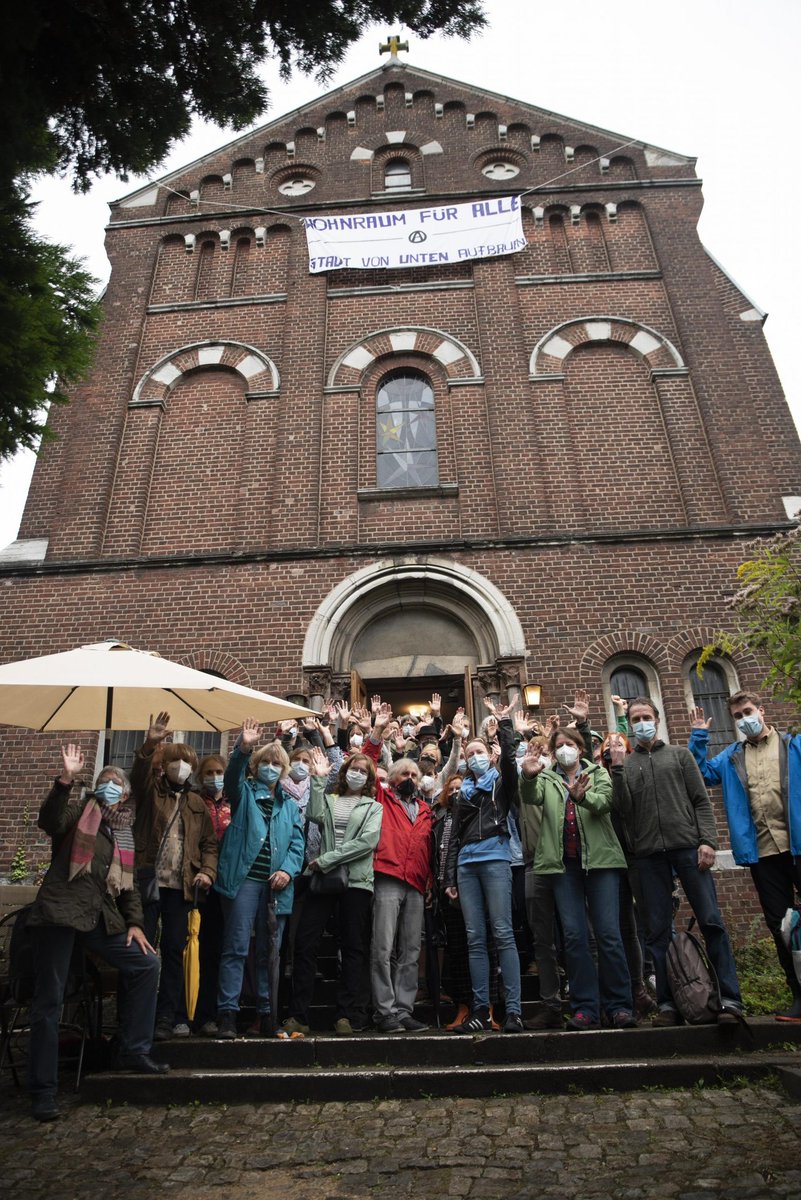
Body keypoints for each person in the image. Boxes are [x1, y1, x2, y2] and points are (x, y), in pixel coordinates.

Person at [27, 745, 167, 1122]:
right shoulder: (80, 813)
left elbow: (131, 886)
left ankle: (133, 1049)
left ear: (124, 794)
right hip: (60, 913)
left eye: (115, 783)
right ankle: (43, 1089)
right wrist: (65, 780)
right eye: (103, 781)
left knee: (146, 964)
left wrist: (136, 923)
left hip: (100, 919)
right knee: (50, 1002)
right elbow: (50, 822)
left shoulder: (123, 830)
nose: (109, 786)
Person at [609, 695, 743, 1026]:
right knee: (657, 932)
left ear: (657, 719)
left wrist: (708, 841)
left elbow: (700, 801)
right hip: (649, 855)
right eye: (635, 718)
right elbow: (624, 810)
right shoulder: (628, 763)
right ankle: (669, 1004)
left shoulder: (680, 756)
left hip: (687, 848)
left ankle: (729, 999)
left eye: (646, 716)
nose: (642, 722)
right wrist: (616, 769)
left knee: (710, 921)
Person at [689, 691, 801, 1021]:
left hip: (798, 848)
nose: (743, 719)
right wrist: (699, 736)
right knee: (781, 928)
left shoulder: (792, 745)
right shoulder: (732, 756)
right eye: (737, 716)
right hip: (763, 854)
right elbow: (699, 774)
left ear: (762, 710)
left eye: (747, 711)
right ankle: (798, 994)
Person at [520, 727, 635, 1030]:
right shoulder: (547, 777)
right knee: (574, 937)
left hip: (601, 864)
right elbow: (531, 797)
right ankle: (586, 1008)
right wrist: (529, 776)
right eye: (558, 746)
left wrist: (583, 797)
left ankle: (619, 1005)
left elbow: (605, 803)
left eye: (569, 744)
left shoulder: (598, 773)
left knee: (609, 934)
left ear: (581, 750)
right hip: (564, 868)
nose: (564, 749)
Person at [214, 718, 305, 1038]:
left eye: (275, 763)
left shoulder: (290, 805)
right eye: (264, 762)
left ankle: (268, 1014)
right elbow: (232, 777)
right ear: (256, 766)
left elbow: (297, 844)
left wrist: (287, 870)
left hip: (276, 886)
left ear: (283, 770)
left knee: (270, 952)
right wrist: (243, 748)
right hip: (244, 882)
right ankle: (227, 1013)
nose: (269, 767)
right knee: (236, 947)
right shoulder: (244, 792)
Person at [131, 712, 218, 1040]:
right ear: (165, 764)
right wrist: (151, 742)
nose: (181, 767)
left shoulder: (197, 802)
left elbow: (210, 844)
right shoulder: (151, 795)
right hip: (149, 882)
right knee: (143, 951)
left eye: (187, 762)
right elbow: (138, 776)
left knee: (173, 950)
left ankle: (168, 1017)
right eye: (175, 761)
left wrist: (207, 871)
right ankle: (138, 1017)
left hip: (182, 888)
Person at [283, 748, 383, 1036]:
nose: (358, 774)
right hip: (324, 882)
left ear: (369, 779)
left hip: (356, 883)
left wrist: (326, 859)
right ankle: (298, 1015)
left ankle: (348, 1015)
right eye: (354, 768)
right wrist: (317, 779)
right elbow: (313, 815)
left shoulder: (373, 807)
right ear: (344, 771)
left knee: (353, 946)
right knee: (305, 941)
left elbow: (367, 842)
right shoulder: (330, 799)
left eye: (364, 771)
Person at [444, 699, 524, 1033]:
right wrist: (449, 874)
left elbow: (508, 758)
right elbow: (454, 836)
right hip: (466, 865)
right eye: (468, 754)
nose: (473, 757)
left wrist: (503, 722)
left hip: (495, 859)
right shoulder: (463, 793)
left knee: (503, 933)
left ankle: (514, 1010)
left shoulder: (502, 785)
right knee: (474, 937)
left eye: (479, 751)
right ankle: (480, 1008)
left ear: (488, 755)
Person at [364, 704, 434, 1033]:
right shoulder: (383, 798)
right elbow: (365, 765)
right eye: (404, 774)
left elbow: (429, 848)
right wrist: (376, 733)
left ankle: (404, 1009)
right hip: (388, 877)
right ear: (393, 779)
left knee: (411, 950)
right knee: (382, 946)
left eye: (414, 775)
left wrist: (430, 881)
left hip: (417, 883)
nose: (409, 778)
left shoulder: (425, 810)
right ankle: (384, 1010)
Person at [192, 754, 231, 1036]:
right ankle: (194, 1012)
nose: (214, 776)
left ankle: (216, 1011)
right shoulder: (193, 802)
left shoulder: (234, 801)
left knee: (220, 949)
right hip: (198, 880)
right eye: (209, 772)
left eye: (219, 772)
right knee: (197, 948)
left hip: (227, 881)